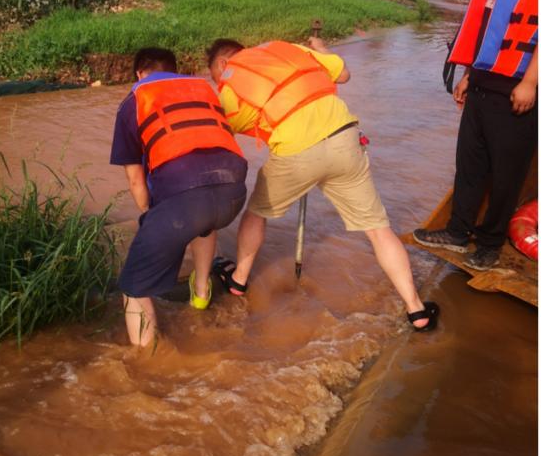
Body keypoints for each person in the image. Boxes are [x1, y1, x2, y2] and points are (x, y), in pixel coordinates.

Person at [206, 37, 439, 331]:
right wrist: (321, 48)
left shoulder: (232, 79)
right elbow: (343, 74)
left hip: (295, 151)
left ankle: (238, 280)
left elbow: (223, 128)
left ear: (224, 64)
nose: (220, 84)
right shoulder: (287, 49)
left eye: (217, 78)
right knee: (379, 231)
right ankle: (416, 310)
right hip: (345, 138)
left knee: (257, 213)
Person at [414, 0, 538, 270]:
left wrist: (531, 82)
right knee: (470, 162)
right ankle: (457, 230)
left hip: (517, 85)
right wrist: (469, 74)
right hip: (484, 81)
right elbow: (487, 27)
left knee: (506, 171)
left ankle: (489, 243)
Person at [110, 47, 247, 347]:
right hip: (234, 191)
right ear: (174, 70)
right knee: (204, 224)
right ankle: (200, 298)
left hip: (185, 199)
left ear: (140, 74)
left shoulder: (135, 101)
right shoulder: (204, 90)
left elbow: (135, 179)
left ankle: (147, 360)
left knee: (133, 287)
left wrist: (151, 215)